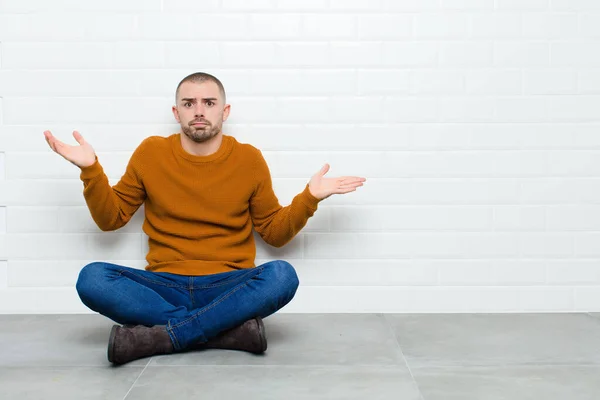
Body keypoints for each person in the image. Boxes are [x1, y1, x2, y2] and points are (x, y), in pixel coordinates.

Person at [43, 72, 366, 365]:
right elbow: (111, 219)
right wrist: (90, 171)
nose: (199, 111)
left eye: (209, 103)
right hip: (164, 284)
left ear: (224, 112)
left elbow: (274, 233)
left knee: (282, 275)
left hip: (227, 284)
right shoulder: (151, 153)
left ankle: (168, 335)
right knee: (92, 278)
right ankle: (224, 332)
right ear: (176, 112)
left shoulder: (248, 159)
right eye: (189, 103)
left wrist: (309, 198)